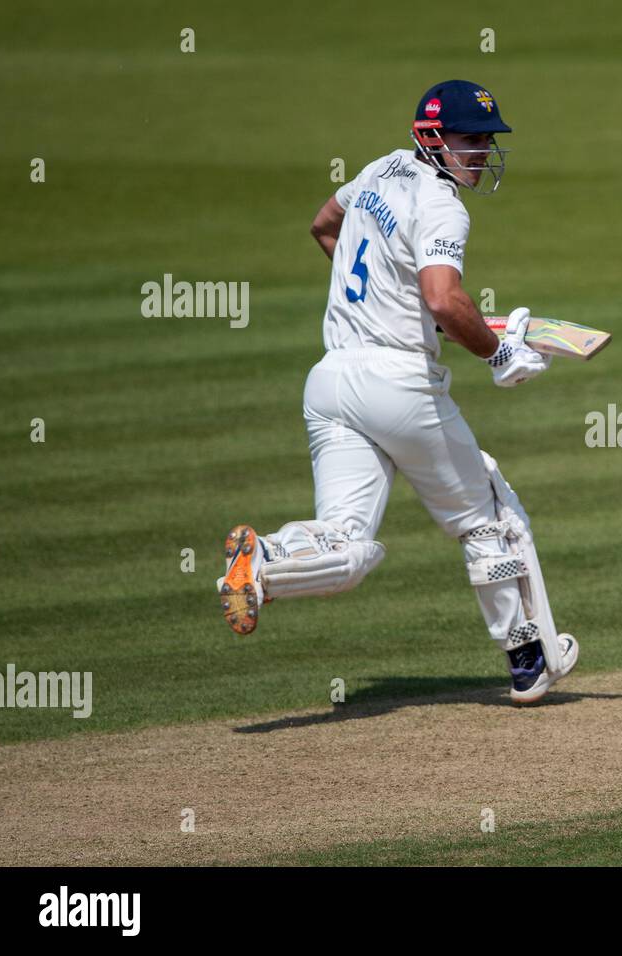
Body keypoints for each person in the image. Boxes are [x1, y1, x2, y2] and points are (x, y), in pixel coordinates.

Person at [216, 80, 578, 705]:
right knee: (489, 515)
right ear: (433, 138)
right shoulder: (443, 206)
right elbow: (442, 298)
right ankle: (528, 660)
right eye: (471, 139)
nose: (482, 151)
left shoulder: (378, 169)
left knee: (348, 545)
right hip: (399, 385)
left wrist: (395, 303)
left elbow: (324, 225)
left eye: (487, 139)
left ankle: (265, 560)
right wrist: (500, 352)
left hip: (330, 382)